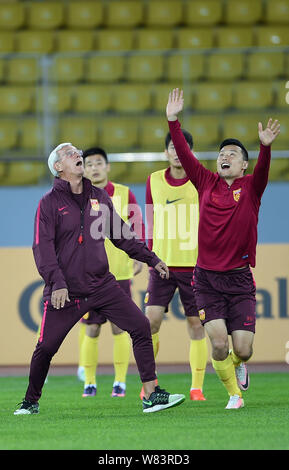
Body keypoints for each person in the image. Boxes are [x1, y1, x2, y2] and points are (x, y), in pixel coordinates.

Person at [14, 142, 185, 415]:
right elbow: (42, 248)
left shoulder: (99, 197)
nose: (78, 155)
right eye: (70, 154)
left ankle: (151, 395)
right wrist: (57, 283)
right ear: (58, 167)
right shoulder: (48, 204)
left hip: (103, 285)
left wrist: (151, 259)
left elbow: (121, 235)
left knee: (141, 327)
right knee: (45, 347)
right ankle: (30, 401)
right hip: (67, 291)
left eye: (77, 152)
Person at [166, 88, 280, 409]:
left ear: (244, 164)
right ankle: (234, 395)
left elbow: (263, 170)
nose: (225, 157)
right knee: (217, 345)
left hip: (239, 280)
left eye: (232, 154)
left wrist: (265, 147)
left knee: (242, 349)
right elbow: (185, 155)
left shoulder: (251, 189)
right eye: (221, 154)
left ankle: (240, 363)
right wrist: (173, 120)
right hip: (206, 280)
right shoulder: (205, 182)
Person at [142, 131, 208, 401]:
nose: (177, 153)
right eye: (172, 148)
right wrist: (149, 256)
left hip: (194, 265)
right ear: (166, 152)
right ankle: (149, 381)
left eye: (182, 149)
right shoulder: (154, 180)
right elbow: (148, 218)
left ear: (189, 152)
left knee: (196, 325)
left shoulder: (201, 179)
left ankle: (196, 388)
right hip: (162, 265)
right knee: (151, 322)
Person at [78, 146, 144, 398]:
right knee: (91, 328)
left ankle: (120, 382)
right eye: (89, 164)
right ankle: (90, 383)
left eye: (98, 163)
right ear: (83, 169)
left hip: (119, 273)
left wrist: (138, 254)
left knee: (119, 327)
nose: (94, 167)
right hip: (89, 275)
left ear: (107, 166)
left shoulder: (125, 193)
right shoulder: (78, 195)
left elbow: (136, 225)